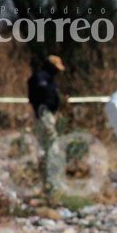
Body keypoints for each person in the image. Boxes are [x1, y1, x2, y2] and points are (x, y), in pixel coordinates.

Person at [27, 55, 65, 194]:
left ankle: (48, 182)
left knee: (47, 148)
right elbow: (43, 93)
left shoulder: (48, 78)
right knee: (51, 147)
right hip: (44, 114)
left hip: (47, 114)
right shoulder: (41, 78)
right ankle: (50, 183)